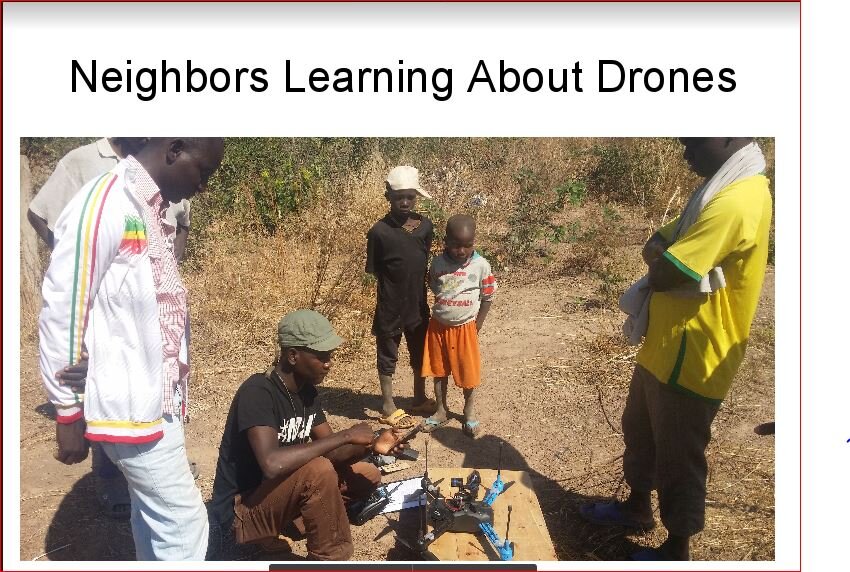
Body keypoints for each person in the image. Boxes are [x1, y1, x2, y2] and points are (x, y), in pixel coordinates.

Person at [580, 138, 773, 561]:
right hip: (665, 343)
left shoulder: (737, 200)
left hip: (695, 354)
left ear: (724, 134)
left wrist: (664, 258)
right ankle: (636, 508)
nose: (684, 152)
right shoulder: (717, 188)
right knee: (641, 431)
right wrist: (664, 256)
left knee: (679, 456)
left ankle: (677, 547)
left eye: (691, 141)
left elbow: (667, 270)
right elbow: (655, 244)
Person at [38, 137, 225, 560]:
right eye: (204, 171)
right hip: (130, 404)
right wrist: (67, 409)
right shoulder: (107, 200)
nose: (202, 187)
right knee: (183, 521)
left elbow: (127, 308)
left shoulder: (149, 208)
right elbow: (64, 303)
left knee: (152, 514)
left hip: (154, 396)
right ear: (174, 151)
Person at [208, 309, 406, 560]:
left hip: (276, 499)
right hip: (241, 513)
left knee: (367, 474)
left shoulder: (306, 393)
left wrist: (374, 445)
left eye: (330, 356)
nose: (328, 363)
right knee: (318, 470)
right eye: (321, 356)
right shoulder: (257, 391)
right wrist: (346, 435)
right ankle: (331, 558)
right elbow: (272, 464)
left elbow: (333, 452)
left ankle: (291, 525)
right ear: (293, 355)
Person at [28, 137, 193, 260]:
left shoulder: (164, 165)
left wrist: (180, 242)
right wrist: (73, 262)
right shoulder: (83, 160)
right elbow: (37, 214)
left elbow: (183, 213)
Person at [366, 165, 436, 429]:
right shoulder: (379, 232)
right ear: (388, 197)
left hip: (417, 305)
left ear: (416, 196)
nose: (405, 202)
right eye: (399, 197)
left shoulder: (425, 227)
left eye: (410, 196)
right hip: (390, 306)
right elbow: (375, 271)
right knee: (388, 354)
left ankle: (419, 396)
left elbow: (424, 260)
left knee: (419, 352)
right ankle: (387, 405)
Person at [420, 214, 497, 437]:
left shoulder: (480, 265)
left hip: (466, 328)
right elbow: (435, 286)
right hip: (438, 327)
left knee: (467, 372)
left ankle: (469, 413)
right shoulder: (437, 263)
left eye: (467, 245)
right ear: (445, 241)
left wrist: (477, 325)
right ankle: (441, 410)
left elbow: (488, 296)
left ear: (474, 242)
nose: (461, 251)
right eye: (455, 245)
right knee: (439, 370)